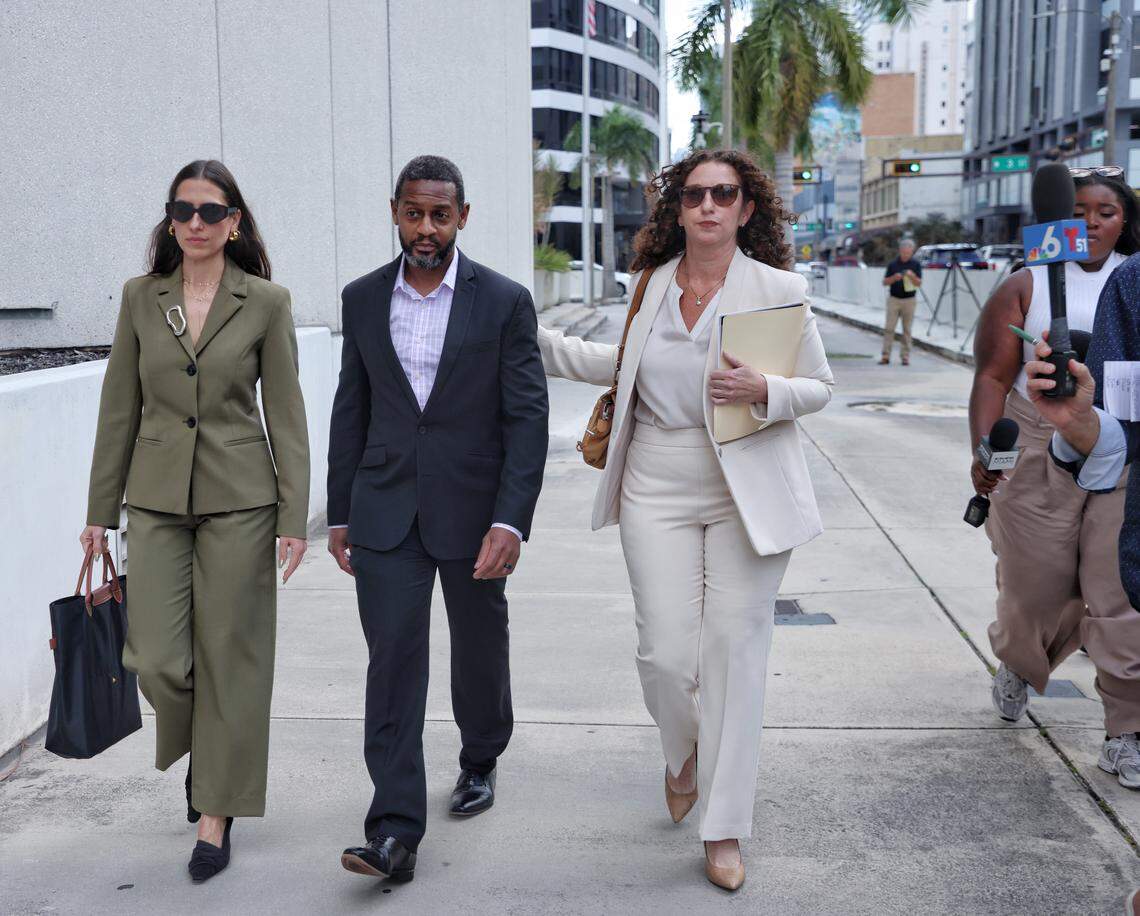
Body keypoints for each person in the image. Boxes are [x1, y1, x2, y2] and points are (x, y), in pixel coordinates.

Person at [537, 148, 834, 891]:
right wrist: (528, 337)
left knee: (735, 655)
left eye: (722, 194)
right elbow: (619, 363)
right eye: (693, 194)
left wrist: (766, 386)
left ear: (745, 208)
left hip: (748, 484)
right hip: (656, 481)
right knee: (666, 655)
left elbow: (820, 385)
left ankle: (724, 826)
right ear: (677, 209)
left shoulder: (778, 288)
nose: (707, 206)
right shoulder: (651, 286)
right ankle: (684, 754)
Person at [81, 160, 311, 881]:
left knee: (232, 657)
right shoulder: (141, 297)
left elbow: (288, 416)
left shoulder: (266, 302)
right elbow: (119, 407)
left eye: (211, 212)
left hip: (241, 499)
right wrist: (97, 513)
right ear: (170, 220)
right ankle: (207, 758)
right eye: (184, 210)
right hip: (152, 498)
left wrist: (293, 514)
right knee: (155, 657)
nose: (196, 223)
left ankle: (216, 812)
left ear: (234, 222)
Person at [328, 156, 548, 884]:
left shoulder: (505, 301)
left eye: (440, 215)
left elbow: (526, 416)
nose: (427, 229)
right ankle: (394, 830)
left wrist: (511, 521)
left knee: (479, 646)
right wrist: (338, 511)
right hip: (384, 508)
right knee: (392, 661)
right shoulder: (362, 299)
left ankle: (481, 754)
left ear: (462, 216)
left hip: (475, 509)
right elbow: (350, 409)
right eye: (414, 214)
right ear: (395, 211)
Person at [967, 166, 1140, 768]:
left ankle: (1127, 731)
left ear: (1126, 223)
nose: (1092, 222)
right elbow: (991, 376)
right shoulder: (1027, 284)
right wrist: (990, 455)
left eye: (1107, 213)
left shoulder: (1135, 281)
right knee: (1034, 586)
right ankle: (1020, 661)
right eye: (1082, 210)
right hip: (1038, 437)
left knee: (1117, 589)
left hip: (1121, 438)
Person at [1023, 246, 1140, 789]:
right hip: (1076, 464)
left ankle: (1125, 731)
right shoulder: (1133, 284)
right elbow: (1123, 426)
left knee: (1111, 601)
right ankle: (1022, 661)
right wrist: (1079, 426)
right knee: (1048, 582)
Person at [880, 237, 922, 365]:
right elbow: (884, 282)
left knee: (907, 329)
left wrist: (912, 275)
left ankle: (905, 356)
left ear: (912, 252)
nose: (905, 254)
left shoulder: (915, 265)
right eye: (904, 252)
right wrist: (894, 277)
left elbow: (919, 283)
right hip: (894, 299)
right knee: (889, 328)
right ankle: (885, 355)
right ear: (900, 250)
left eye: (908, 252)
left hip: (909, 299)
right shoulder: (893, 264)